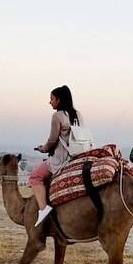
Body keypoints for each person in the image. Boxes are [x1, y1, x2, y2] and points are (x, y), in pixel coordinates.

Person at [29, 85, 82, 227]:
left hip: (61, 159)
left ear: (59, 100)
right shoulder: (78, 115)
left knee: (35, 177)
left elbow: (52, 140)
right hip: (77, 157)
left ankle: (44, 209)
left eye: (52, 99)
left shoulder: (57, 116)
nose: (50, 102)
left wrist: (43, 149)